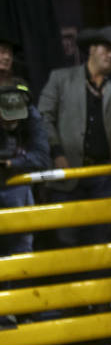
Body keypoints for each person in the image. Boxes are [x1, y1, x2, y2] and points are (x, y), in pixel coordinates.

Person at [37, 25, 111, 246]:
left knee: (106, 239)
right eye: (105, 48)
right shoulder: (61, 79)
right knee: (67, 239)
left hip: (107, 175)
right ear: (91, 49)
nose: (110, 55)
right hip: (68, 174)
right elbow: (43, 117)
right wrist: (57, 153)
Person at [1, 82, 49, 259]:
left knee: (21, 249)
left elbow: (43, 158)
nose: (12, 119)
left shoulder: (31, 115)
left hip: (17, 189)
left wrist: (11, 163)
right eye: (7, 113)